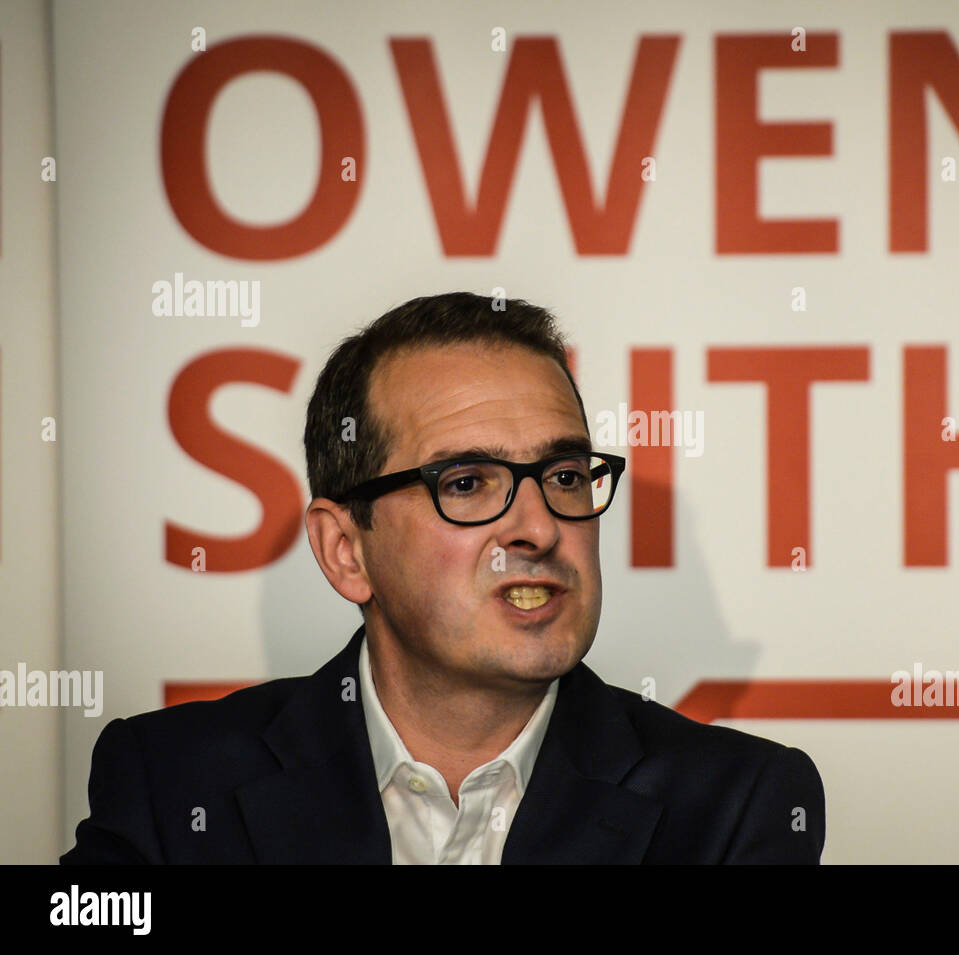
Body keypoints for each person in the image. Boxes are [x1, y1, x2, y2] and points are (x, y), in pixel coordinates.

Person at [61, 292, 826, 864]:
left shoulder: (737, 805)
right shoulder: (170, 786)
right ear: (345, 551)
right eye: (466, 483)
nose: (539, 526)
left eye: (563, 474)